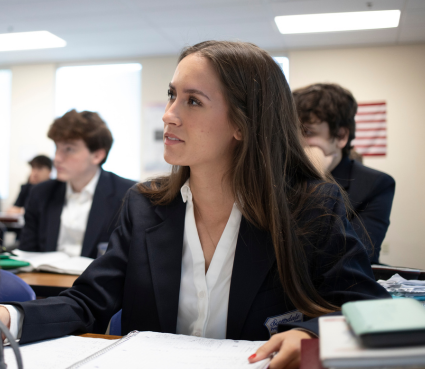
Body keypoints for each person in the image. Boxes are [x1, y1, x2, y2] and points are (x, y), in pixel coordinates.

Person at [0, 42, 389, 369]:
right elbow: (89, 301)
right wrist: (9, 318)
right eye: (172, 95)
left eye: (193, 101)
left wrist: (309, 334)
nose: (169, 115)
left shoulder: (310, 205)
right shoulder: (143, 205)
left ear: (243, 124)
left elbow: (365, 306)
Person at [292, 83, 395, 264]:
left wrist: (315, 178)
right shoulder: (282, 176)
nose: (297, 143)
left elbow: (356, 255)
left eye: (307, 132)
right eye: (293, 133)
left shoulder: (376, 184)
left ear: (341, 136)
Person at [18, 110, 136, 258]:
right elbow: (27, 254)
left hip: (99, 281)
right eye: (57, 148)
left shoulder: (128, 195)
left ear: (97, 155)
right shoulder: (40, 193)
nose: (57, 158)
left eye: (69, 149)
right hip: (43, 280)